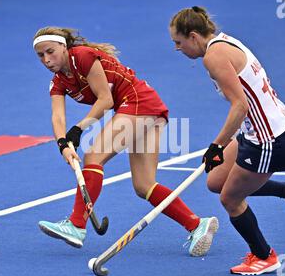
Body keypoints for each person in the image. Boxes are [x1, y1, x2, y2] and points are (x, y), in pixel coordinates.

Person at [33, 27, 219, 257]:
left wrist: (79, 129)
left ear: (63, 46)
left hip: (138, 101)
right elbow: (57, 116)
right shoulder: (58, 82)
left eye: (50, 52)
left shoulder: (82, 56)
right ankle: (196, 224)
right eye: (40, 55)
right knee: (144, 186)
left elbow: (105, 99)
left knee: (94, 155)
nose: (46, 59)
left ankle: (76, 225)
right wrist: (63, 145)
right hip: (148, 108)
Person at [169, 7, 285, 275]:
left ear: (193, 36)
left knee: (230, 200)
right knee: (216, 182)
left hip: (269, 139)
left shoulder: (213, 57)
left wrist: (217, 146)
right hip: (256, 131)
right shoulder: (224, 41)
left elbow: (240, 106)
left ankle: (265, 256)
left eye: (178, 42)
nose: (178, 49)